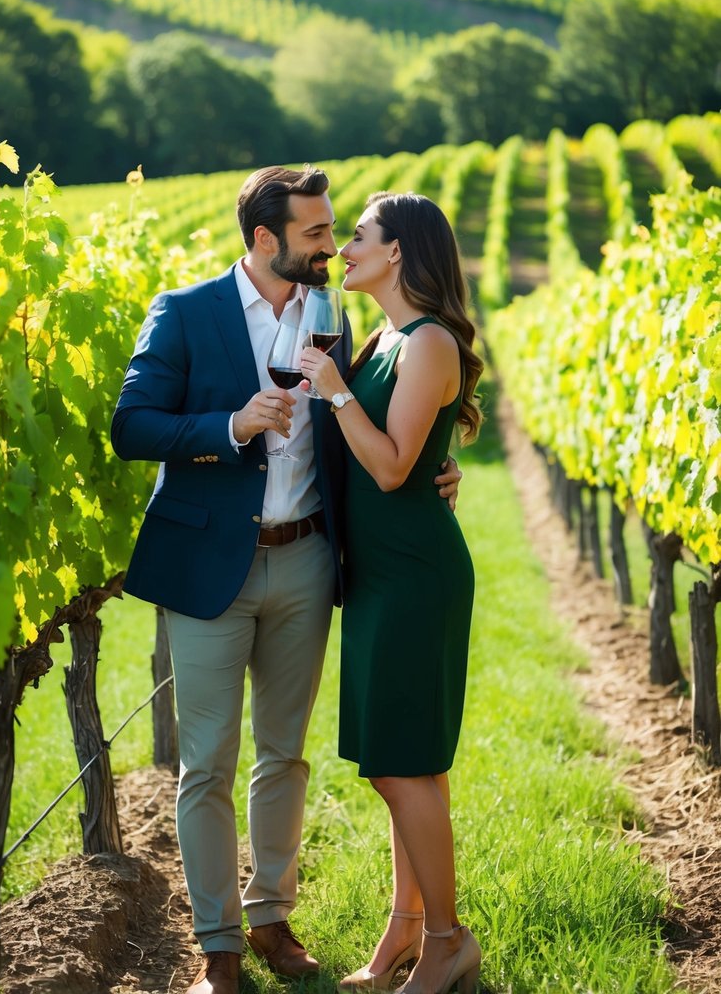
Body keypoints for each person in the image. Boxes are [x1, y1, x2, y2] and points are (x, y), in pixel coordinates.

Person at [111, 166, 463, 994]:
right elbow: (131, 426)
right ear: (266, 239)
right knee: (206, 764)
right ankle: (217, 947)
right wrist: (230, 424)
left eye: (337, 231)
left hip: (308, 557)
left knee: (284, 756)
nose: (330, 245)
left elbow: (388, 416)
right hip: (209, 567)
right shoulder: (186, 312)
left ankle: (269, 917)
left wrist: (437, 466)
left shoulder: (334, 316)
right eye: (315, 233)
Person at [300, 190, 483, 994]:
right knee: (407, 763)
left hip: (414, 577)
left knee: (400, 766)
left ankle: (446, 940)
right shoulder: (383, 339)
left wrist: (334, 389)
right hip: (381, 574)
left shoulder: (428, 342)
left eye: (359, 237)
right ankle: (406, 931)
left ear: (399, 251)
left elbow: (390, 465)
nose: (344, 250)